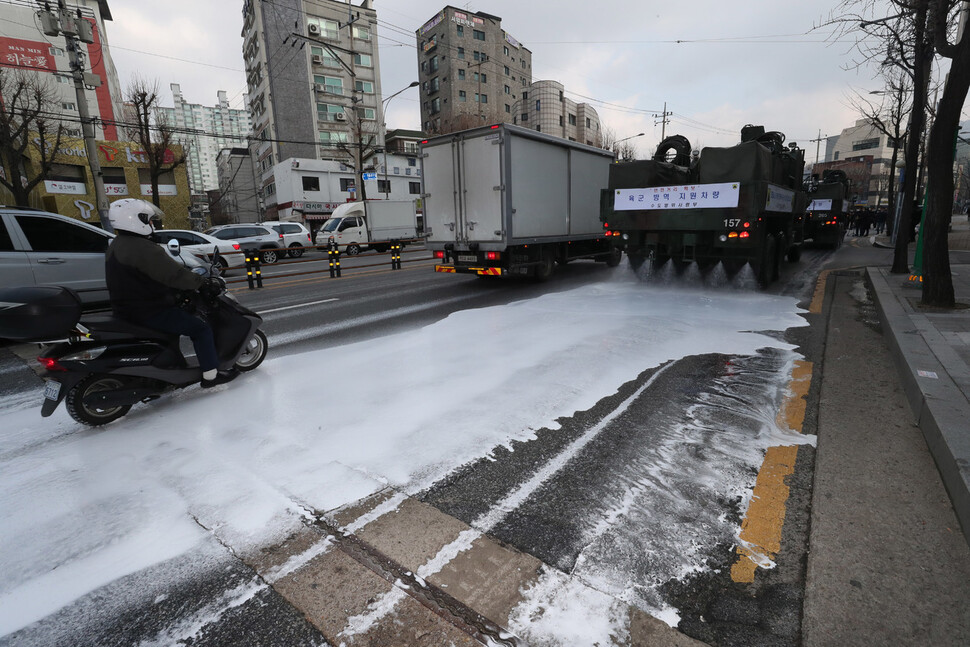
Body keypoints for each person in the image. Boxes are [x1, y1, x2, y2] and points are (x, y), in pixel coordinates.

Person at [105, 198, 238, 388]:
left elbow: (145, 277)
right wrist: (202, 283)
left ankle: (172, 369)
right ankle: (210, 375)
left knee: (173, 330)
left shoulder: (117, 244)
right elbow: (174, 275)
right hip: (150, 310)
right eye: (149, 220)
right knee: (200, 329)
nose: (151, 224)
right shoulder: (143, 249)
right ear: (136, 220)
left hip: (127, 309)